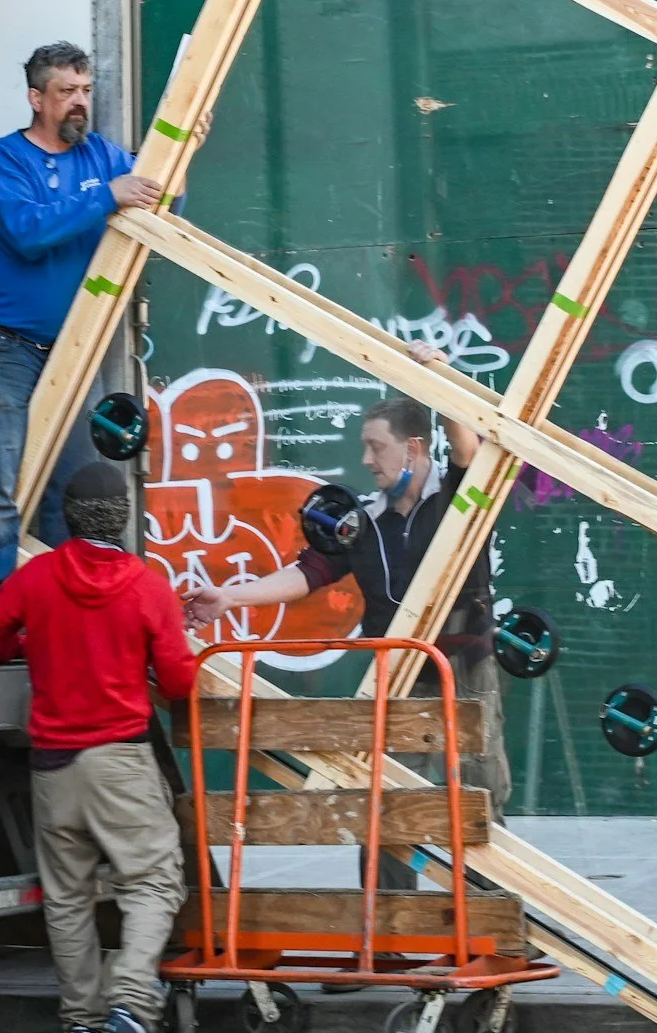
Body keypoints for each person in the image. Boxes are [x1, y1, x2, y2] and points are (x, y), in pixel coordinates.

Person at [180, 341, 509, 814]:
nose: (368, 460)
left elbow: (466, 448)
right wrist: (229, 599)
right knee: (391, 802)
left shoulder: (458, 497)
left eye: (376, 447)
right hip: (398, 673)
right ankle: (390, 891)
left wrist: (438, 371)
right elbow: (307, 573)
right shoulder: (363, 518)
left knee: (481, 792)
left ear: (413, 447)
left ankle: (484, 885)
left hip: (465, 662)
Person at [0, 461, 198, 1033]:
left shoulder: (37, 578)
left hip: (52, 766)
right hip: (118, 761)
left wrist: (33, 641)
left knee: (67, 897)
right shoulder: (145, 585)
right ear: (123, 517)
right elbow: (178, 681)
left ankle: (83, 1025)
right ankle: (130, 1005)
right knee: (153, 880)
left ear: (68, 518)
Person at [0, 42, 163, 620]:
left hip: (76, 347)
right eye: (67, 93)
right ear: (36, 98)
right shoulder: (7, 159)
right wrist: (105, 196)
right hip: (4, 346)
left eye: (86, 91)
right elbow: (27, 231)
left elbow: (163, 201)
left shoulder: (101, 155)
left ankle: (65, 621)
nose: (80, 103)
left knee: (72, 489)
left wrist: (186, 148)